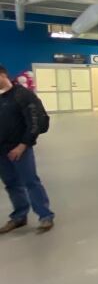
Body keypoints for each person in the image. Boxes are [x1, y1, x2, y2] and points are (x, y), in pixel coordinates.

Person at [0, 63, 54, 234]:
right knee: (11, 183)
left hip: (19, 147)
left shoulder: (22, 95)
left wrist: (23, 144)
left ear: (3, 75)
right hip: (1, 150)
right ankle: (19, 216)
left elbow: (35, 121)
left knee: (30, 181)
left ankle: (45, 215)